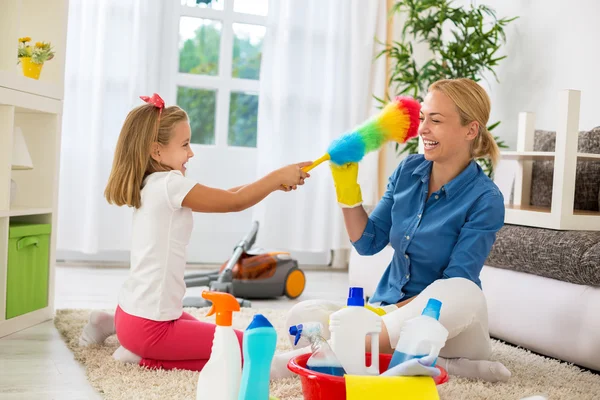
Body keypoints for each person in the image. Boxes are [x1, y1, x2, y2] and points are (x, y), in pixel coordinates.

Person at [270, 78, 511, 382]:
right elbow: (367, 242)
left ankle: (341, 350)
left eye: (435, 120)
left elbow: (455, 280)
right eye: (423, 117)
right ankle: (441, 367)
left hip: (449, 329)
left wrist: (385, 316)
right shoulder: (408, 171)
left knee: (463, 291)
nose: (422, 128)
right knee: (302, 315)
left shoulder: (485, 198)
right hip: (386, 318)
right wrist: (347, 188)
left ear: (470, 130)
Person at [78, 93, 311, 371]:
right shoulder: (169, 184)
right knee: (246, 350)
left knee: (213, 342)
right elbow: (233, 202)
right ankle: (142, 353)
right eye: (185, 144)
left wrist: (274, 179)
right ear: (157, 151)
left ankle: (122, 337)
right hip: (152, 328)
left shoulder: (152, 182)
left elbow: (229, 194)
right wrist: (275, 180)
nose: (191, 152)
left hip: (132, 316)